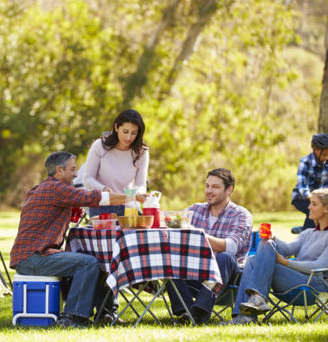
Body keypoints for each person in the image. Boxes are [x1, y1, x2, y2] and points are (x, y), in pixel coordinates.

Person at [10, 151, 147, 328]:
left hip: (29, 256)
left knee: (87, 259)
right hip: (34, 258)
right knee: (88, 263)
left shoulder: (45, 188)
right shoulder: (56, 188)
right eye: (72, 169)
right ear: (59, 171)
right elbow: (94, 198)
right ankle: (72, 317)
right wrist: (132, 196)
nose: (76, 174)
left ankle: (93, 312)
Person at [224, 188, 328, 325]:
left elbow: (319, 266)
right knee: (259, 252)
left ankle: (254, 305)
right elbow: (288, 249)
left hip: (314, 285)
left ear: (326, 208)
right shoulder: (308, 233)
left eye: (314, 204)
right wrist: (272, 238)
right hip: (294, 279)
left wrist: (286, 263)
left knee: (256, 259)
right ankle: (246, 314)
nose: (308, 207)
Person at [166, 168, 253, 325]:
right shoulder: (194, 210)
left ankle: (198, 312)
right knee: (170, 257)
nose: (209, 191)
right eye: (207, 186)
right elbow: (171, 229)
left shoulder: (241, 215)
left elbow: (230, 248)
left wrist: (197, 234)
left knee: (224, 257)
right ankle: (186, 311)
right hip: (195, 270)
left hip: (227, 274)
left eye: (215, 187)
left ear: (229, 189)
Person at [83, 109, 149, 217]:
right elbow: (87, 178)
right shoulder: (100, 146)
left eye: (134, 133)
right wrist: (103, 189)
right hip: (101, 206)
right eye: (125, 131)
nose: (129, 137)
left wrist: (138, 195)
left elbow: (141, 184)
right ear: (116, 127)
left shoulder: (142, 152)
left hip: (128, 207)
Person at [291, 133, 328, 233]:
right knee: (313, 210)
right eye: (324, 154)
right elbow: (302, 185)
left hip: (320, 199)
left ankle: (308, 229)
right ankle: (306, 233)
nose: (326, 157)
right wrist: (311, 198)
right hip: (302, 197)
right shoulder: (305, 161)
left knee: (323, 211)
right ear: (315, 150)